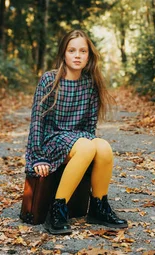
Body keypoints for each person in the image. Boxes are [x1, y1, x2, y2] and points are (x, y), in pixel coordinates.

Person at [24, 29, 128, 235]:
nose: (77, 55)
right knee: (87, 146)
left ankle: (98, 206)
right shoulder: (49, 80)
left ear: (89, 55)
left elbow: (89, 126)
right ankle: (57, 209)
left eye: (83, 51)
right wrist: (37, 158)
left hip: (79, 140)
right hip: (51, 140)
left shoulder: (90, 83)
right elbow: (37, 122)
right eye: (72, 50)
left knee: (104, 147)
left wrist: (92, 151)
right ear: (64, 53)